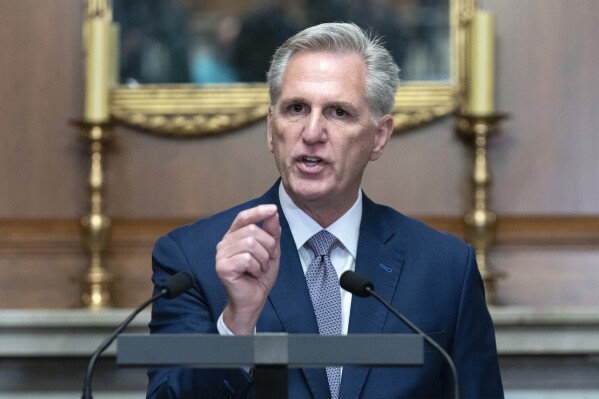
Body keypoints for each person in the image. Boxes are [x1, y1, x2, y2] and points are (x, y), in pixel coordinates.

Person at [147, 22, 504, 399]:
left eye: (338, 112)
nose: (312, 132)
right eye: (296, 108)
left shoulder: (446, 269)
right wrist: (238, 325)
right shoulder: (193, 260)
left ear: (379, 137)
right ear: (272, 129)